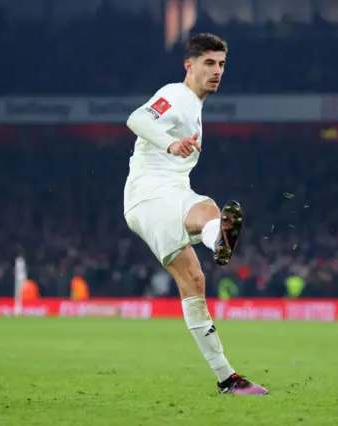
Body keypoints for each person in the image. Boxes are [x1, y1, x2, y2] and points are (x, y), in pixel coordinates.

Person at [123, 33, 268, 395]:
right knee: (209, 210)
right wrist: (170, 142)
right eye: (208, 63)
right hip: (151, 194)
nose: (217, 71)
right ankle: (216, 236)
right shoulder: (176, 94)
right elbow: (137, 119)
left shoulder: (195, 108)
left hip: (163, 195)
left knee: (194, 281)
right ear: (189, 66)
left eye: (221, 64)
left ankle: (227, 378)